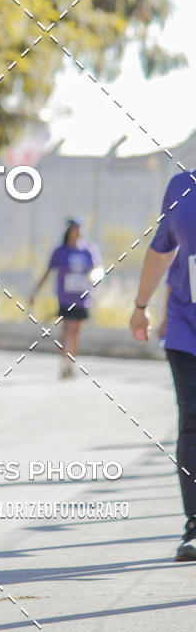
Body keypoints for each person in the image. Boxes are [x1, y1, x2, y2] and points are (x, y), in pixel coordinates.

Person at [130, 170, 196, 561]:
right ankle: (195, 523)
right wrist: (141, 307)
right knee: (191, 419)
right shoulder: (181, 187)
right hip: (186, 326)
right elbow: (161, 249)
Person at [30, 219, 102, 378]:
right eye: (75, 229)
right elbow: (47, 273)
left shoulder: (89, 251)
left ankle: (70, 361)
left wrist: (96, 281)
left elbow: (98, 270)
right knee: (67, 330)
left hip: (82, 297)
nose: (78, 233)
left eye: (80, 229)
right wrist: (35, 292)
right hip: (65, 298)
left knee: (75, 331)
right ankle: (65, 363)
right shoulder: (60, 252)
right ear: (69, 232)